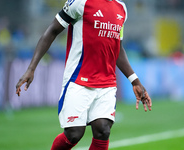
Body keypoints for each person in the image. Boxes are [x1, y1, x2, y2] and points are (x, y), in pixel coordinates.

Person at [16, 0, 152, 149]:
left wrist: (135, 81)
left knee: (103, 130)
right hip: (78, 79)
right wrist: (31, 68)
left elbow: (117, 47)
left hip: (106, 83)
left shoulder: (121, 8)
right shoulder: (80, 2)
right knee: (73, 134)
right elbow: (52, 30)